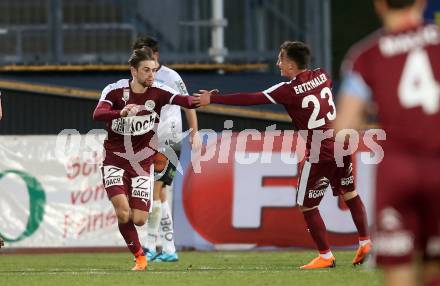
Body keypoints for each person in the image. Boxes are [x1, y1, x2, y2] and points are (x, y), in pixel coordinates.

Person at [197, 41, 371, 269]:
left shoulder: (287, 90)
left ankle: (326, 256)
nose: (278, 63)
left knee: (306, 205)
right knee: (350, 193)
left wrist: (214, 99)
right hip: (342, 143)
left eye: (281, 59)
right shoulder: (323, 75)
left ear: (290, 64)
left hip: (320, 151)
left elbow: (252, 98)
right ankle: (365, 241)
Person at [334, 0, 440, 285]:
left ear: (379, 5)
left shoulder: (365, 55)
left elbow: (344, 127)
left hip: (397, 172)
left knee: (399, 273)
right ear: (421, 2)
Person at [92, 47, 200, 271]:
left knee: (139, 219)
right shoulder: (114, 90)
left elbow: (185, 101)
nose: (152, 75)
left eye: (153, 70)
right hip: (115, 159)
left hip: (142, 162)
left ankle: (143, 241)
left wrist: (205, 99)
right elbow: (97, 114)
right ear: (133, 70)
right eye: (146, 70)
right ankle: (140, 256)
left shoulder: (159, 91)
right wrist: (119, 113)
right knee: (123, 212)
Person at [132, 36, 201, 263]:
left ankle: (151, 247)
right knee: (160, 194)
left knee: (155, 192)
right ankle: (169, 248)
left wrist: (194, 131)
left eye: (145, 54)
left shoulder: (171, 77)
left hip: (168, 141)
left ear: (156, 56)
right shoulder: (137, 79)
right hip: (146, 142)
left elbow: (188, 103)